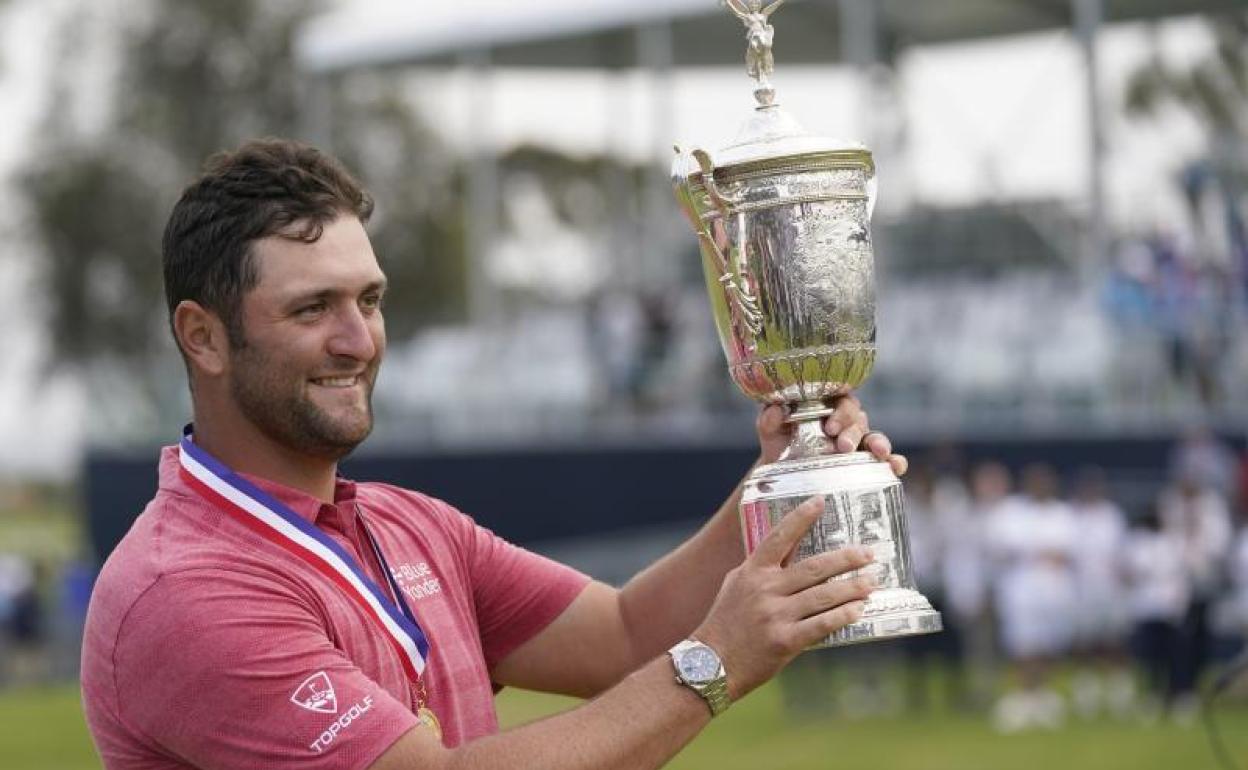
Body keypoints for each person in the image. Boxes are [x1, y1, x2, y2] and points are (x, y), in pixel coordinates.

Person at [79, 138, 907, 770]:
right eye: (311, 309)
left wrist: (780, 482)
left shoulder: (408, 527)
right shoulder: (184, 589)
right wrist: (715, 661)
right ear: (203, 338)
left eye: (369, 300)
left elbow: (622, 635)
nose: (358, 339)